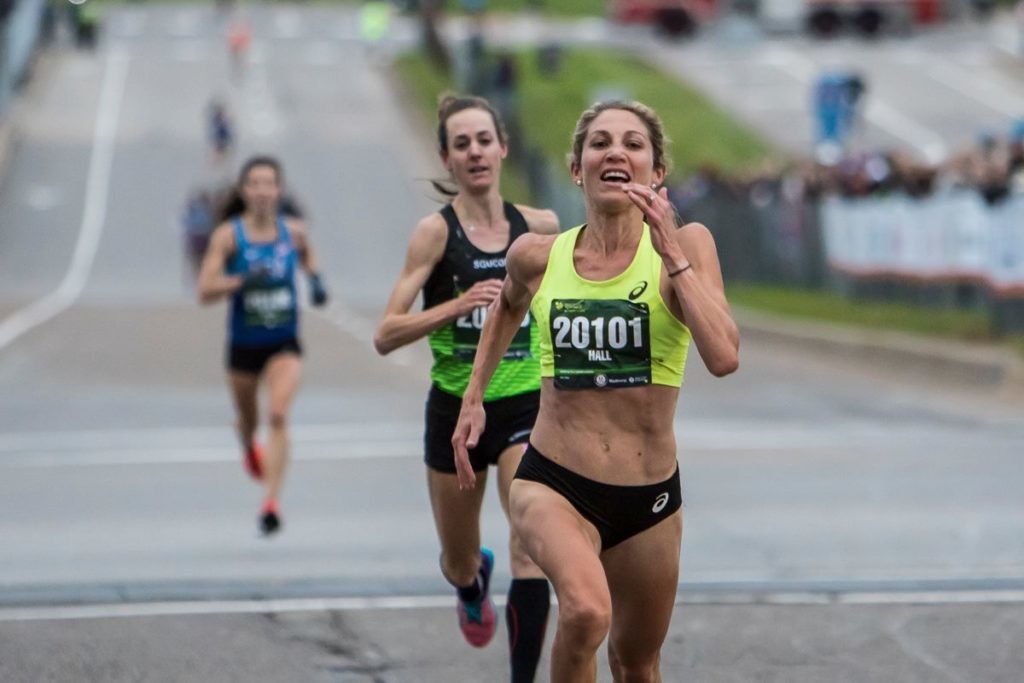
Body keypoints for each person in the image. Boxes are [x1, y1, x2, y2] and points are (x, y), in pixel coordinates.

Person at [452, 100, 740, 682]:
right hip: (553, 481)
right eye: (600, 143)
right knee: (585, 613)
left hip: (648, 498)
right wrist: (473, 395)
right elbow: (506, 308)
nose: (616, 152)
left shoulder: (688, 246)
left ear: (657, 171)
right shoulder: (537, 256)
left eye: (633, 144)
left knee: (636, 664)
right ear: (577, 169)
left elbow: (724, 357)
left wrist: (672, 252)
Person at [373, 95, 559, 681]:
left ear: (502, 147)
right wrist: (456, 306)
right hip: (455, 412)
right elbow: (385, 334)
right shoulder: (435, 235)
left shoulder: (541, 228)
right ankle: (471, 583)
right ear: (446, 159)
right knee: (458, 560)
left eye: (483, 140)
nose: (475, 152)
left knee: (530, 544)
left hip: (526, 406)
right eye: (462, 144)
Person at [197, 156, 329, 536]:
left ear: (279, 190)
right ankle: (248, 445)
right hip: (243, 346)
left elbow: (308, 255)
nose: (261, 191)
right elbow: (205, 289)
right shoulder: (229, 236)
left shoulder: (293, 233)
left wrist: (316, 280)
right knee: (249, 422)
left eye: (268, 183)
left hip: (283, 342)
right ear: (243, 191)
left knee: (278, 414)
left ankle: (271, 503)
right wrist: (240, 281)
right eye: (254, 184)